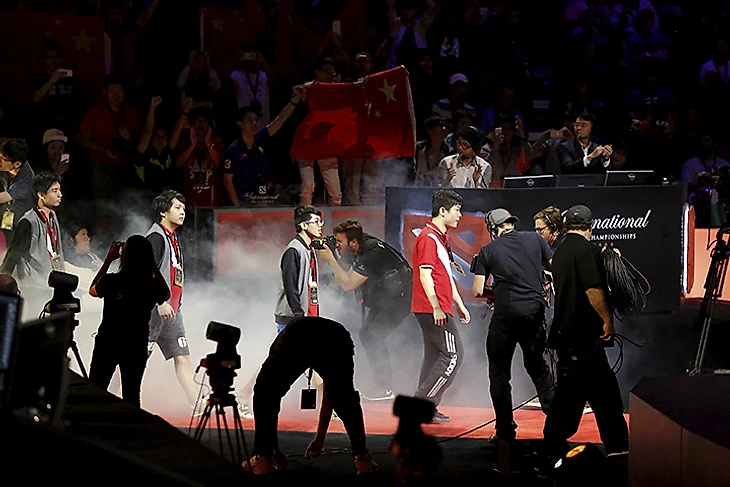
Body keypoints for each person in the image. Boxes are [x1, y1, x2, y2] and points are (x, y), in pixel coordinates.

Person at [542, 205, 629, 457]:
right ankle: (618, 448)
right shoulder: (586, 250)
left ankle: (552, 442)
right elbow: (593, 289)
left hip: (566, 335)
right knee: (605, 396)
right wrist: (607, 320)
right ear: (591, 226)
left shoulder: (560, 252)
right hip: (584, 336)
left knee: (572, 393)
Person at [243, 316, 376, 475]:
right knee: (344, 398)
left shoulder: (290, 338)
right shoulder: (328, 337)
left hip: (301, 335)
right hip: (335, 337)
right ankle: (362, 459)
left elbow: (269, 395)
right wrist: (318, 440)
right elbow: (331, 394)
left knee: (265, 391)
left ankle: (263, 458)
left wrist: (273, 449)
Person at [471, 209, 555, 442]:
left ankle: (505, 431)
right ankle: (556, 425)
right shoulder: (535, 239)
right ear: (511, 224)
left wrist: (498, 291)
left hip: (505, 317)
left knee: (499, 375)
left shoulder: (488, 251)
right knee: (538, 368)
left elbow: (477, 290)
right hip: (534, 315)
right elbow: (555, 267)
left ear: (493, 229)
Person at [236, 205, 325, 418]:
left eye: (320, 221)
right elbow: (290, 285)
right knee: (277, 362)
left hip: (305, 316)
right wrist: (299, 316)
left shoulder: (309, 249)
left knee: (314, 360)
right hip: (293, 318)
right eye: (316, 222)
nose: (320, 226)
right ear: (303, 225)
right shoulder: (294, 250)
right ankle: (245, 393)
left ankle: (329, 407)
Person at [317, 219, 412, 401]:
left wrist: (330, 259)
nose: (337, 244)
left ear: (353, 242)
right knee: (367, 334)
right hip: (385, 297)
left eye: (339, 242)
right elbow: (342, 270)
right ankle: (382, 385)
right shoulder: (355, 247)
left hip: (401, 298)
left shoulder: (372, 252)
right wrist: (334, 254)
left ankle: (385, 388)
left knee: (373, 335)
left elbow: (348, 284)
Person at [411, 189, 471, 423]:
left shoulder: (438, 237)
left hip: (436, 306)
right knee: (453, 355)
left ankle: (425, 407)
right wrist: (436, 306)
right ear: (443, 210)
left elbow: (445, 275)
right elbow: (425, 274)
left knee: (435, 356)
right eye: (457, 210)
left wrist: (460, 304)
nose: (460, 215)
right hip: (432, 307)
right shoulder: (429, 238)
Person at [88, 236, 170, 407]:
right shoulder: (152, 285)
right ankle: (132, 424)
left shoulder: (111, 281)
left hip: (108, 341)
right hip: (136, 343)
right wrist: (153, 265)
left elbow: (92, 290)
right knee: (132, 395)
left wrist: (108, 260)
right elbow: (165, 294)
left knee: (95, 390)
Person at [145, 190, 198, 406]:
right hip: (153, 312)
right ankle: (106, 396)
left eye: (183, 208)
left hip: (173, 312)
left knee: (182, 356)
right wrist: (159, 302)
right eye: (177, 208)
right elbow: (147, 273)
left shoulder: (172, 237)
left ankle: (196, 404)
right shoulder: (156, 237)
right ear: (163, 212)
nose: (182, 212)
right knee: (134, 360)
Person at [223, 85, 305, 206]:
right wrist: (237, 207)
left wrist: (294, 101)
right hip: (244, 201)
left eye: (256, 120)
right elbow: (227, 180)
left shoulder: (261, 137)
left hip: (264, 198)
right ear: (240, 123)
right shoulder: (234, 149)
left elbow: (280, 119)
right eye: (250, 120)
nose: (254, 123)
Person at [1, 172, 63, 296]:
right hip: (34, 284)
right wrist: (3, 281)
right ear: (41, 195)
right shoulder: (28, 221)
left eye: (59, 190)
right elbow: (14, 253)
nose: (60, 194)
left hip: (53, 278)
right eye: (54, 191)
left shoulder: (52, 216)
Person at [0, 139, 36, 246]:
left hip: (20, 222)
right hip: (6, 215)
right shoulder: (8, 165)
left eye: (3, 159)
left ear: (17, 164)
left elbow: (2, 198)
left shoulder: (26, 179)